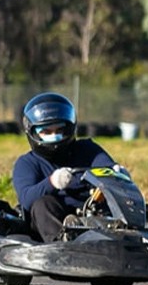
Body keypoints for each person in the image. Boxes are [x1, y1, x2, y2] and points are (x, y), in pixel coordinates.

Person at [12, 92, 123, 242]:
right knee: (42, 204)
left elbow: (109, 168)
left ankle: (145, 243)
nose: (55, 136)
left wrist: (119, 173)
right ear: (33, 132)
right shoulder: (27, 163)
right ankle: (64, 242)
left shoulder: (88, 149)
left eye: (59, 130)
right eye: (47, 132)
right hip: (55, 220)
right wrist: (53, 182)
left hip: (94, 214)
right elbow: (26, 199)